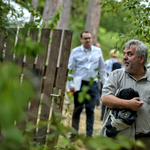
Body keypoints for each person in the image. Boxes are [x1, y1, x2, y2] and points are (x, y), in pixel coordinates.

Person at [100, 39, 150, 150]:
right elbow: (105, 98)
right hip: (119, 139)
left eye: (130, 54)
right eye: (124, 54)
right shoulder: (116, 75)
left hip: (145, 141)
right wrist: (128, 104)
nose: (124, 57)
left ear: (141, 58)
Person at [67, 31, 107, 139]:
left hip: (92, 84)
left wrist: (106, 84)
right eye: (85, 38)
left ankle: (89, 136)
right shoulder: (75, 51)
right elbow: (70, 69)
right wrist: (70, 85)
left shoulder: (98, 51)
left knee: (90, 110)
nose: (88, 40)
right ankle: (73, 135)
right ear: (81, 40)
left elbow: (102, 70)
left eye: (89, 38)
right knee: (77, 110)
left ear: (92, 39)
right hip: (79, 84)